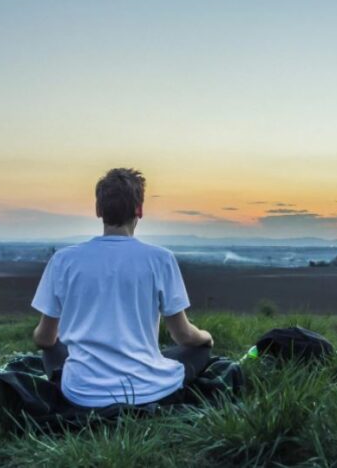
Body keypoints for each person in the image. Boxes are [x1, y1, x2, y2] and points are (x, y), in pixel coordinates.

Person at [30, 167, 214, 408]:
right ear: (139, 210)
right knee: (199, 350)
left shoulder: (63, 260)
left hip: (82, 393)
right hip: (148, 390)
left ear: (98, 210)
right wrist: (206, 337)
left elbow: (43, 339)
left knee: (52, 348)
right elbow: (183, 336)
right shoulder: (161, 259)